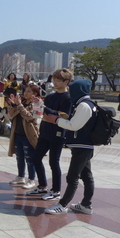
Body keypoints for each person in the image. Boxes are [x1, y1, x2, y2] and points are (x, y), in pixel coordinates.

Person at [43, 80, 96, 215]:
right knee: (86, 175)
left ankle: (63, 204)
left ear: (79, 90)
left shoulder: (84, 105)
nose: (70, 93)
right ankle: (86, 205)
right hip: (84, 145)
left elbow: (73, 125)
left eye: (72, 90)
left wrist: (55, 120)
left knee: (72, 177)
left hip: (82, 146)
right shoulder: (87, 104)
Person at [26, 68, 72, 201]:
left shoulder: (68, 98)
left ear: (66, 82)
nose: (55, 83)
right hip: (45, 131)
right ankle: (42, 186)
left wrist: (43, 107)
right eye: (54, 80)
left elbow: (63, 116)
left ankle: (56, 190)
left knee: (54, 161)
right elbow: (40, 114)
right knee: (36, 158)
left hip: (57, 133)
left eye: (58, 80)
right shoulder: (51, 96)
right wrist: (37, 105)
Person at [7, 85, 40, 190]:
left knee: (29, 158)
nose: (26, 93)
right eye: (25, 91)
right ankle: (21, 176)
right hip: (17, 133)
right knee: (19, 157)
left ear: (35, 93)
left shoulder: (37, 104)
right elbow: (10, 116)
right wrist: (13, 105)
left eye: (29, 91)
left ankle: (31, 179)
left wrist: (20, 106)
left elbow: (32, 118)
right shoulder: (21, 103)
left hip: (29, 135)